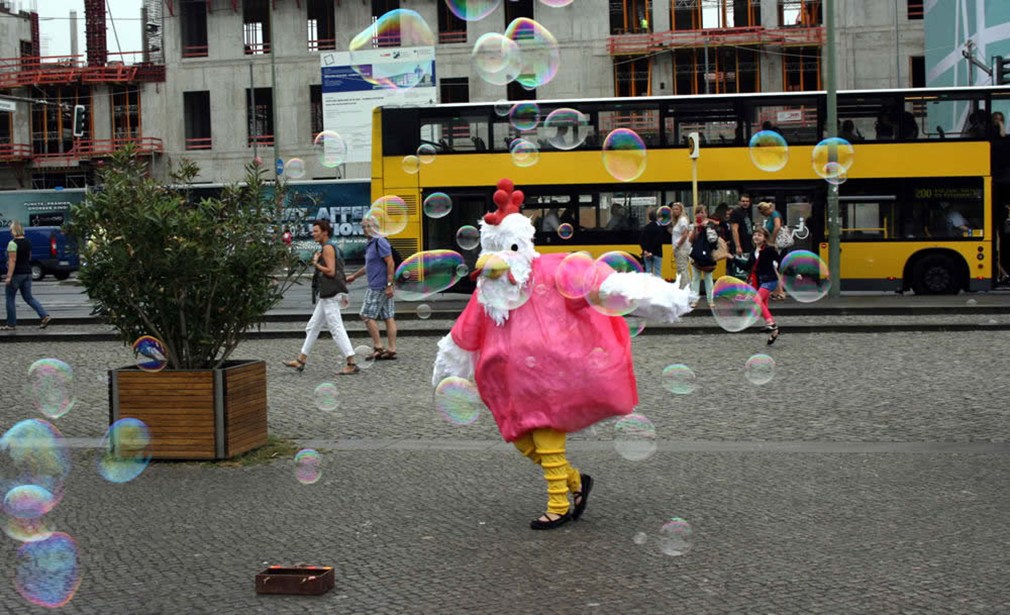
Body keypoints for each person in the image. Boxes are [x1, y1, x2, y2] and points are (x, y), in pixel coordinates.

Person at [433, 178, 694, 530]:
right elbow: (464, 333)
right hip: (509, 386)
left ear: (523, 245)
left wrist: (662, 298)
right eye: (493, 249)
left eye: (510, 247)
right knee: (521, 440)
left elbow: (606, 284)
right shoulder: (487, 292)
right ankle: (575, 482)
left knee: (545, 434)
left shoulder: (555, 268)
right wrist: (448, 370)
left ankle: (558, 504)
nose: (501, 259)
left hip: (549, 378)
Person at [282, 220, 358, 375]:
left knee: (336, 328)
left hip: (331, 294)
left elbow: (330, 271)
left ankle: (351, 362)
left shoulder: (328, 248)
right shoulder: (327, 247)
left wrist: (316, 263)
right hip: (327, 295)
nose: (313, 233)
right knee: (312, 326)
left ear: (325, 232)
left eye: (316, 231)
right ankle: (301, 360)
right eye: (313, 231)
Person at [347, 217, 398, 360]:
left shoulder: (380, 241)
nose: (365, 230)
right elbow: (368, 266)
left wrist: (389, 285)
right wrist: (354, 276)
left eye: (368, 226)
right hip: (381, 286)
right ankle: (392, 349)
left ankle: (378, 347)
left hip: (379, 286)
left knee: (366, 315)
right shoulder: (371, 243)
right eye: (363, 227)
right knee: (388, 316)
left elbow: (390, 262)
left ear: (375, 227)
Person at [733, 227, 782, 345]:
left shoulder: (769, 250)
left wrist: (795, 273)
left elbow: (781, 261)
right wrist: (733, 259)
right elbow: (747, 266)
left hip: (770, 280)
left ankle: (771, 324)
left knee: (756, 300)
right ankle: (775, 331)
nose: (756, 237)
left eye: (759, 235)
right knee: (762, 305)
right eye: (755, 235)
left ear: (765, 238)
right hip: (761, 281)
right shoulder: (753, 251)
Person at [3, 221, 51, 331]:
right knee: (29, 297)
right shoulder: (28, 242)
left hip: (17, 274)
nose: (10, 231)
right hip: (28, 273)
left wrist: (9, 276)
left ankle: (11, 324)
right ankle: (44, 315)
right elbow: (29, 257)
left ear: (14, 230)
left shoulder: (12, 243)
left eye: (11, 229)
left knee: (10, 298)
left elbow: (12, 260)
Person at [687, 206, 726, 308]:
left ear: (706, 213)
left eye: (702, 212)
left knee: (708, 277)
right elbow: (691, 240)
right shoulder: (692, 225)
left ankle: (710, 300)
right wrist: (696, 228)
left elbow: (713, 240)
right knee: (695, 278)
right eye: (698, 213)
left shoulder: (711, 224)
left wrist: (708, 227)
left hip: (708, 254)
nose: (700, 214)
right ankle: (694, 300)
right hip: (696, 254)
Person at [728, 193, 754, 278]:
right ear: (739, 202)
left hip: (747, 245)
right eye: (743, 201)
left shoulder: (746, 213)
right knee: (738, 269)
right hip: (741, 246)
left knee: (746, 268)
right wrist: (738, 246)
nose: (745, 203)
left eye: (747, 201)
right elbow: (734, 230)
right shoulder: (736, 212)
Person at [669, 202, 690, 289]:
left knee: (682, 269)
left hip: (681, 248)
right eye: (673, 209)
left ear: (681, 210)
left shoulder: (682, 220)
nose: (674, 211)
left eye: (677, 209)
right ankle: (683, 287)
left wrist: (677, 245)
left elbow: (685, 234)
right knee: (680, 268)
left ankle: (684, 288)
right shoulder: (678, 221)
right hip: (678, 248)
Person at [639, 208, 665, 277]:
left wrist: (646, 250)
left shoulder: (646, 227)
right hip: (657, 253)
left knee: (648, 272)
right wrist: (652, 252)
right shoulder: (660, 228)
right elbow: (658, 241)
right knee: (658, 273)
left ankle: (648, 287)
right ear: (658, 217)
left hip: (646, 253)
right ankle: (657, 287)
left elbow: (641, 240)